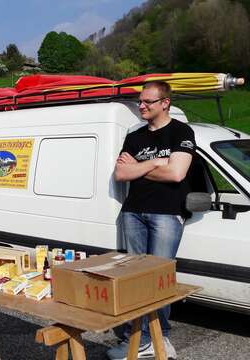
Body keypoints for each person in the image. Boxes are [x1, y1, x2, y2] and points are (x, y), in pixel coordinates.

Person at [108, 81, 195, 360]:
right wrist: (157, 163)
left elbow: (176, 175)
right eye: (140, 101)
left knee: (159, 279)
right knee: (135, 278)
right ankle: (145, 339)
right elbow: (121, 175)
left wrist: (138, 168)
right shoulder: (134, 136)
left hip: (167, 214)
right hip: (133, 213)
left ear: (165, 103)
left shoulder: (182, 132)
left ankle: (156, 338)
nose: (141, 106)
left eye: (148, 102)